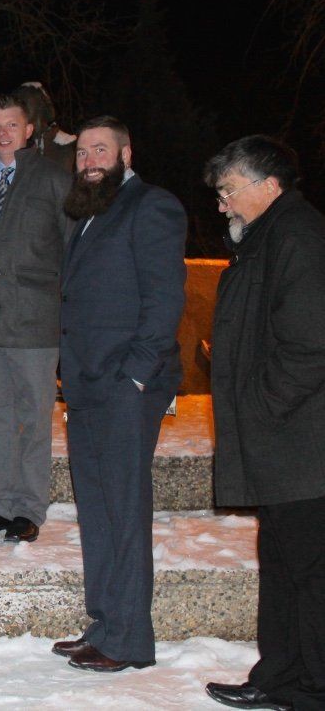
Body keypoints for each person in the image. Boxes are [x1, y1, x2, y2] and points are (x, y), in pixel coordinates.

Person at [53, 116, 186, 672]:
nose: (89, 159)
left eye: (100, 149)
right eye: (83, 151)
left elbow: (164, 300)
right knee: (99, 512)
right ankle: (106, 623)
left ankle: (129, 639)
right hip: (86, 385)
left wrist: (134, 375)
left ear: (126, 153)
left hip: (124, 386)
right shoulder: (90, 213)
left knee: (123, 512)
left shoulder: (152, 206)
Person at [202, 136, 325, 710]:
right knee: (281, 567)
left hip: (300, 444)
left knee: (310, 573)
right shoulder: (268, 238)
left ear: (268, 186)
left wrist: (261, 405)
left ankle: (312, 687)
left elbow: (309, 346)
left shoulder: (297, 236)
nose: (222, 204)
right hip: (280, 442)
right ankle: (279, 676)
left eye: (229, 191)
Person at [0, 93, 72, 544]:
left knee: (33, 417)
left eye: (12, 125)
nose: (3, 134)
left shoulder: (53, 179)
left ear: (29, 131)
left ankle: (29, 508)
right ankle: (3, 504)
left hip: (35, 320)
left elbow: (70, 248)